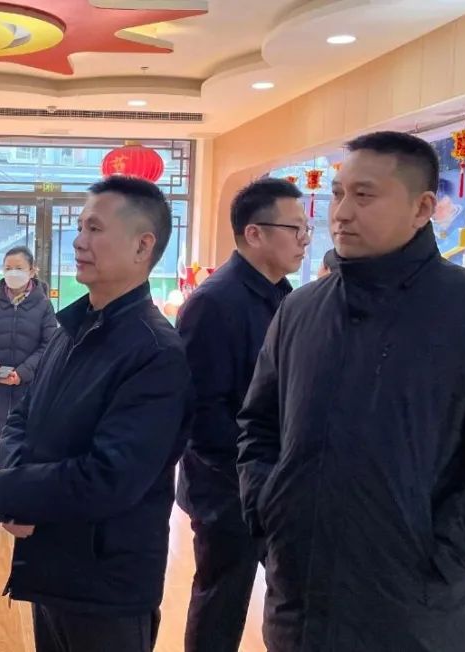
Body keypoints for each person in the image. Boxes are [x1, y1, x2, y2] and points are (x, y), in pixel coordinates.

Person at [238, 131, 465, 651]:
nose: (342, 213)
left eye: (364, 196)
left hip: (418, 612)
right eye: (337, 194)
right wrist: (269, 511)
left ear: (422, 208)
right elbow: (258, 426)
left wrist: (447, 555)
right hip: (299, 599)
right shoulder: (300, 309)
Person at [0, 176, 193, 652]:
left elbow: (110, 477)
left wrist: (5, 489)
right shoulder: (72, 328)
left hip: (106, 585)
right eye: (80, 227)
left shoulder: (155, 352)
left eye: (95, 229)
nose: (79, 241)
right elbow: (23, 417)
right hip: (52, 565)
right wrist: (11, 492)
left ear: (143, 246)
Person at [174, 177, 308, 652]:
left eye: (307, 229)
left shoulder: (285, 296)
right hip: (226, 486)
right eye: (295, 228)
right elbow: (200, 412)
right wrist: (254, 473)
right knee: (222, 598)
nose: (304, 240)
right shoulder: (214, 302)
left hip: (274, 478)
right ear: (254, 233)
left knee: (285, 594)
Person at [0, 245, 57, 536]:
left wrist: (23, 373)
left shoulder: (44, 306)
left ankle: (19, 508)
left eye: (18, 268)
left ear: (32, 271)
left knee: (24, 455)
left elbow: (49, 346)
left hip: (28, 393)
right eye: (8, 268)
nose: (12, 273)